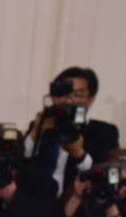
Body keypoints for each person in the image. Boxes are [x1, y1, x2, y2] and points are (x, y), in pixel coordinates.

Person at [25, 67, 121, 195]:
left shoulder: (104, 132)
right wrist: (36, 133)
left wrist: (80, 155)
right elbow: (23, 161)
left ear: (90, 100)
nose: (69, 100)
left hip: (77, 206)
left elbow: (105, 176)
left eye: (77, 95)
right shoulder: (42, 123)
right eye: (63, 93)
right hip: (38, 201)